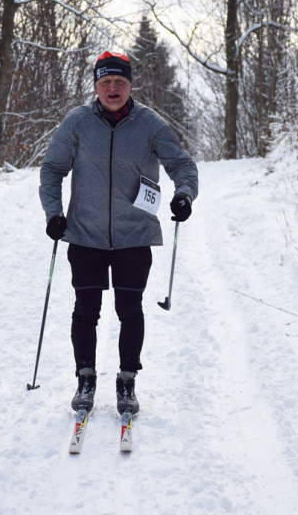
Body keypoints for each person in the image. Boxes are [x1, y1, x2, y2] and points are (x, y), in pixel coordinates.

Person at [39, 51, 199, 416]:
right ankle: (85, 377)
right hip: (85, 235)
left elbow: (182, 165)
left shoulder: (150, 124)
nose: (113, 88)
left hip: (134, 236)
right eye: (106, 82)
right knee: (85, 310)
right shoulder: (77, 123)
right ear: (96, 86)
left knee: (130, 309)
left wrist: (184, 195)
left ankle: (127, 380)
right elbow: (52, 170)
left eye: (120, 82)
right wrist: (54, 214)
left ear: (131, 85)